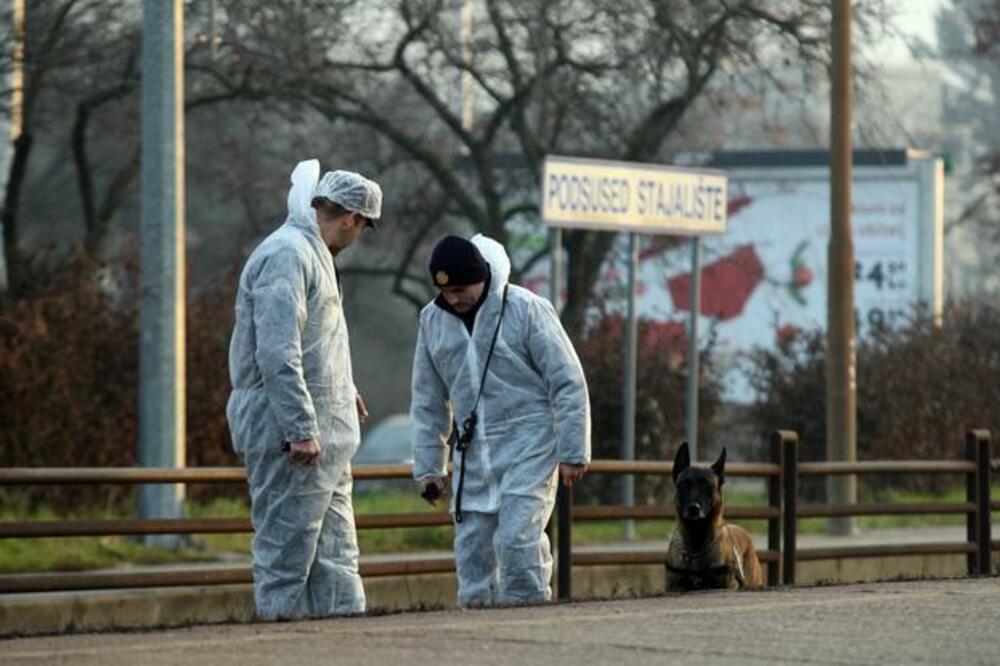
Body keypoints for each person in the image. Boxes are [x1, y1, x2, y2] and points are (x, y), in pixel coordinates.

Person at [226, 159, 382, 620]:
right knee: (286, 552)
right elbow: (277, 350)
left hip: (326, 432)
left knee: (336, 555)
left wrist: (343, 387)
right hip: (295, 433)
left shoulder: (311, 253)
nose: (356, 238)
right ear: (351, 219)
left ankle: (343, 639)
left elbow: (319, 339)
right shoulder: (289, 254)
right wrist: (299, 426)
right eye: (361, 228)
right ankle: (280, 640)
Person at [410, 233, 591, 607]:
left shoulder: (526, 309)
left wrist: (574, 449)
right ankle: (479, 630)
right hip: (473, 452)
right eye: (446, 291)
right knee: (472, 548)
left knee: (516, 540)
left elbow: (567, 380)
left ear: (482, 277)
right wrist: (429, 467)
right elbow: (428, 400)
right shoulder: (432, 321)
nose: (454, 298)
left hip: (530, 443)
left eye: (462, 288)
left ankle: (527, 619)